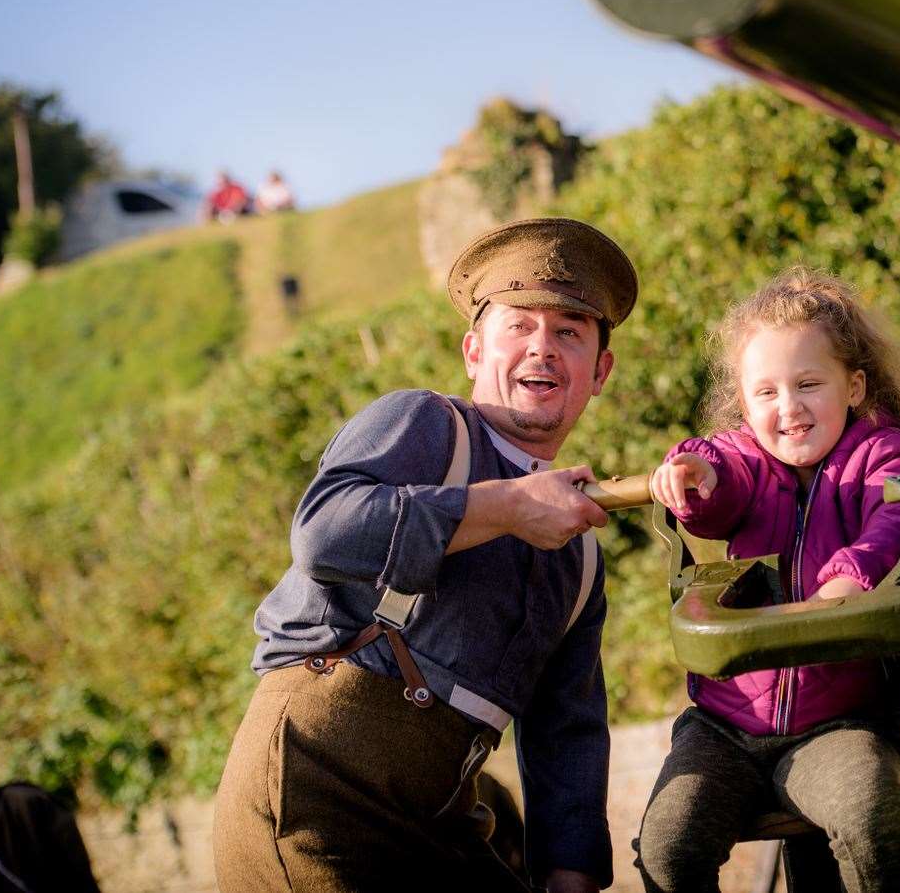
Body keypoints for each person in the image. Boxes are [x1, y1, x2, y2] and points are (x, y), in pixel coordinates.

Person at [213, 217, 638, 893]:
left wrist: (572, 874)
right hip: (315, 793)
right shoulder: (424, 424)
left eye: (569, 332)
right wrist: (507, 507)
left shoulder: (579, 556)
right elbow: (323, 534)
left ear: (600, 372)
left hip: (440, 818)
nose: (542, 348)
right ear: (475, 351)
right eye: (518, 326)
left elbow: (568, 734)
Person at [638, 268, 900, 893]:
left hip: (840, 723)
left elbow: (898, 519)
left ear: (854, 386)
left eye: (808, 384)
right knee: (668, 846)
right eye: (765, 392)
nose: (789, 408)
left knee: (871, 821)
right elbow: (721, 480)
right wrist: (695, 471)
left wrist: (848, 580)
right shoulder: (748, 461)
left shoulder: (886, 456)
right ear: (744, 405)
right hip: (727, 726)